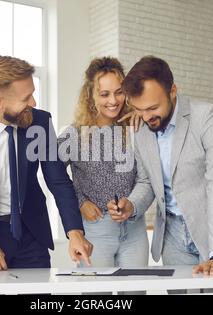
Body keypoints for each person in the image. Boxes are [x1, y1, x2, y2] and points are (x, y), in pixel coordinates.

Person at [0, 55, 93, 271]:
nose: (34, 103)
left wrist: (75, 232)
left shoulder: (39, 123)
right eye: (26, 98)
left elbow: (58, 181)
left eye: (33, 94)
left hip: (31, 237)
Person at [108, 56, 213, 275]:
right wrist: (132, 205)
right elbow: (148, 182)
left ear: (173, 91)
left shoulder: (208, 118)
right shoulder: (140, 127)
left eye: (152, 107)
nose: (146, 117)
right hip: (172, 237)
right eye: (139, 108)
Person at [58, 57, 148, 269]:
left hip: (134, 230)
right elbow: (53, 177)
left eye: (119, 92)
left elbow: (146, 179)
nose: (113, 100)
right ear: (90, 95)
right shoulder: (74, 135)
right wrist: (80, 202)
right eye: (104, 94)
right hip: (95, 231)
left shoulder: (136, 127)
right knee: (96, 300)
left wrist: (132, 204)